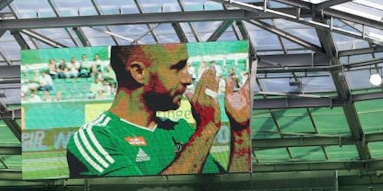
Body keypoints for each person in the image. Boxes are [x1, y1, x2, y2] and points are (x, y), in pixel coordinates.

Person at [66, 43, 251, 176]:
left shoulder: (182, 129)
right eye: (178, 67)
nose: (188, 78)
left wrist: (241, 129)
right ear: (139, 72)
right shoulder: (96, 137)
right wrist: (207, 128)